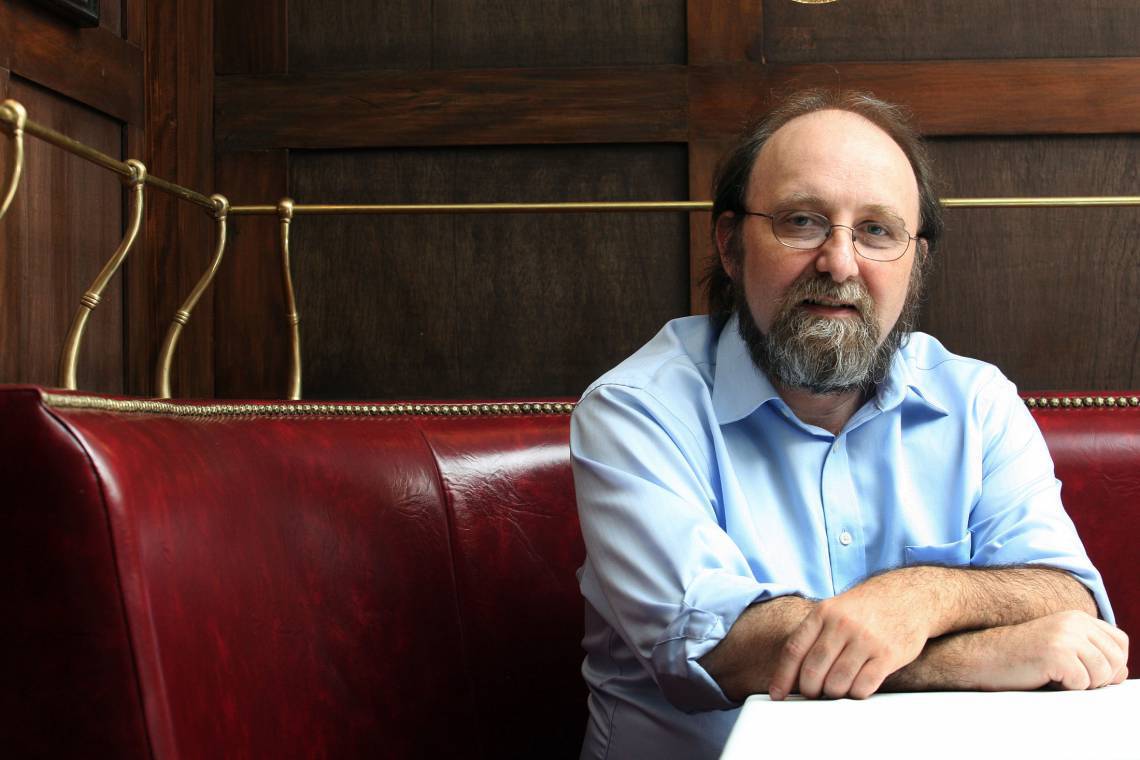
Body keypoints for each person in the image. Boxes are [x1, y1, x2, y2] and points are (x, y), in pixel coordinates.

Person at [570, 90, 1129, 760]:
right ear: (729, 244)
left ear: (915, 262)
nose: (839, 263)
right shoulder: (633, 411)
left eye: (877, 231)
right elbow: (719, 649)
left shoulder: (978, 402)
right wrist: (969, 657)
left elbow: (1066, 598)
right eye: (803, 221)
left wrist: (921, 598)